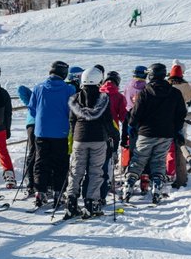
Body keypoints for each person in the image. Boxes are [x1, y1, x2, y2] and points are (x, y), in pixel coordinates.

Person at [123, 63, 187, 202]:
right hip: (166, 133)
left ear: (151, 75)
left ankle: (129, 184)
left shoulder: (145, 92)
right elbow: (181, 113)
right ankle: (157, 186)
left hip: (146, 132)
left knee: (139, 159)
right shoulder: (175, 93)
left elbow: (136, 112)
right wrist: (176, 129)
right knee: (158, 161)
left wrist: (132, 125)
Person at [64, 67, 119, 219]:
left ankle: (71, 202)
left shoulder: (74, 99)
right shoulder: (103, 99)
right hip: (98, 139)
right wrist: (115, 136)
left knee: (76, 171)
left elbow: (72, 121)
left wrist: (75, 136)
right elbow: (109, 122)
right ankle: (91, 203)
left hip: (79, 139)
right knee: (96, 171)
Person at [27, 61, 76, 207]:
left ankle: (39, 191)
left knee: (41, 161)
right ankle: (58, 192)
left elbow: (32, 110)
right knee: (60, 163)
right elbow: (72, 111)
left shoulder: (38, 87)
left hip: (41, 132)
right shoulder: (69, 89)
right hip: (61, 132)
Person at [98, 70, 127, 202]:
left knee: (95, 160)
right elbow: (123, 117)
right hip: (112, 132)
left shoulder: (97, 93)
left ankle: (95, 184)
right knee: (108, 159)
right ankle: (107, 183)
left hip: (96, 132)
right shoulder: (119, 97)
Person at [166, 62, 191, 189]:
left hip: (166, 118)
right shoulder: (184, 85)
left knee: (167, 146)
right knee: (180, 144)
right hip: (180, 117)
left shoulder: (166, 84)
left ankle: (167, 169)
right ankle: (178, 171)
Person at [16, 84, 36, 196]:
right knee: (39, 154)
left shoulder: (34, 98)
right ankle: (35, 182)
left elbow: (21, 89)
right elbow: (21, 89)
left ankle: (31, 182)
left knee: (32, 153)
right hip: (41, 125)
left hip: (31, 124)